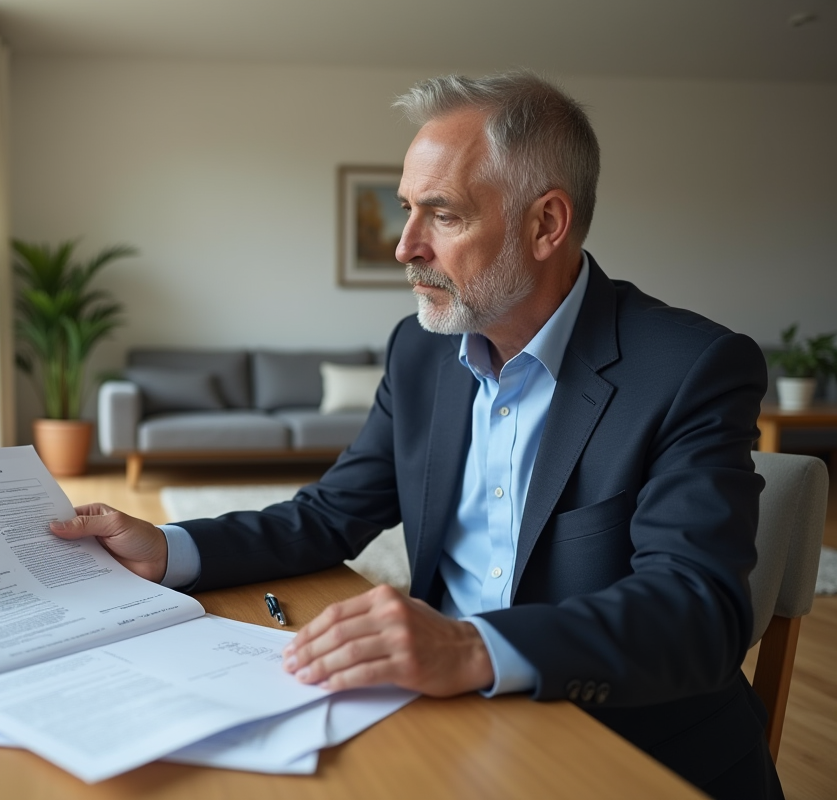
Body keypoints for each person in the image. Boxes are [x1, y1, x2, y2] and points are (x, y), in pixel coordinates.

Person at [49, 72, 779, 799]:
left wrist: (469, 646)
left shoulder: (689, 368)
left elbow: (697, 610)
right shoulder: (422, 351)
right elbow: (333, 513)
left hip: (624, 751)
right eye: (406, 210)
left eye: (443, 215)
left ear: (546, 224)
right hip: (445, 722)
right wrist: (171, 547)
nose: (404, 247)